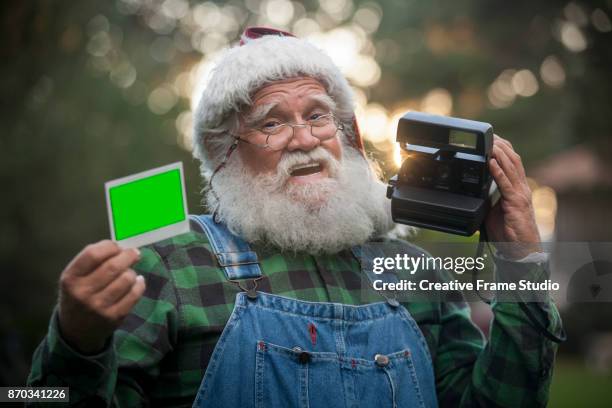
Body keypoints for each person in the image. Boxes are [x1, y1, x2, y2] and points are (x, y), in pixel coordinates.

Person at [27, 27, 563, 407]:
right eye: (271, 123)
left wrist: (520, 261)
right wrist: (76, 344)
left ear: (348, 136)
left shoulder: (411, 267)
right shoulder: (166, 262)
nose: (305, 140)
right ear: (222, 152)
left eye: (317, 116)